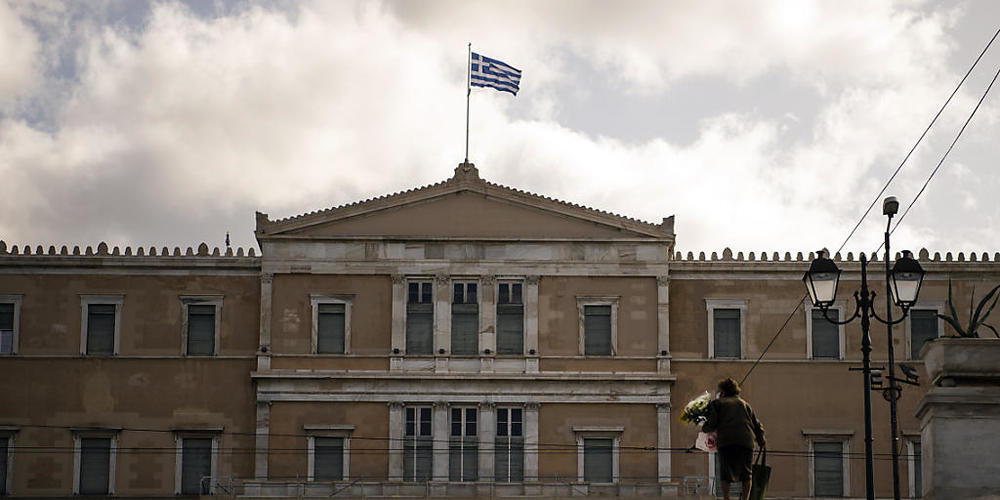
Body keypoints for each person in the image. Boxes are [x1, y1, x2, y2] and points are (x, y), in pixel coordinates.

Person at [701, 377, 765, 500]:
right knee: (746, 474)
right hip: (746, 442)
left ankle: (727, 498)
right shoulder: (745, 404)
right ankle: (745, 498)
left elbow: (712, 423)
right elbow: (757, 425)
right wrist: (761, 441)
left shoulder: (717, 404)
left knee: (726, 474)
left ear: (723, 391)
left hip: (727, 442)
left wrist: (705, 428)